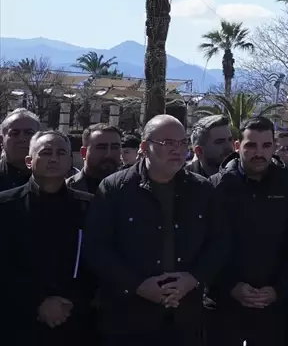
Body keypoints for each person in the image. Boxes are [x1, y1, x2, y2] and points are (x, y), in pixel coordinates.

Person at [84, 114, 230, 345]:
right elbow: (97, 247)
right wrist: (138, 285)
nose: (177, 149)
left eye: (182, 143)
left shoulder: (202, 189)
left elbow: (220, 242)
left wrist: (193, 278)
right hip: (128, 319)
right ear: (145, 147)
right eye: (167, 143)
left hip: (185, 319)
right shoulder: (115, 188)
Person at [208, 116, 288, 346]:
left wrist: (278, 289)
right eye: (251, 145)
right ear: (237, 146)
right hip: (224, 307)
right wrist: (230, 286)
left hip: (274, 309)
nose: (259, 153)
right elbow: (205, 245)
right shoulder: (214, 187)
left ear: (274, 147)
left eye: (266, 146)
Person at [0, 130, 95, 344]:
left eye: (61, 153)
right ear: (29, 161)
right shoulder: (6, 206)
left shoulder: (89, 207)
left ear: (71, 160)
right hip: (17, 321)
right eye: (45, 153)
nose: (53, 158)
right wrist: (37, 302)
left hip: (75, 319)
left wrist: (70, 302)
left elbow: (97, 260)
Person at [67, 122, 123, 194]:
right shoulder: (67, 189)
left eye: (115, 147)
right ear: (84, 152)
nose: (109, 154)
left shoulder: (131, 190)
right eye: (101, 148)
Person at [0, 107, 38, 191]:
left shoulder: (50, 179)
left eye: (29, 133)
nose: (22, 138)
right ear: (1, 140)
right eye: (15, 133)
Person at [186, 114, 235, 178]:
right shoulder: (182, 182)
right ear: (199, 151)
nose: (229, 146)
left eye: (230, 139)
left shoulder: (245, 176)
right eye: (219, 142)